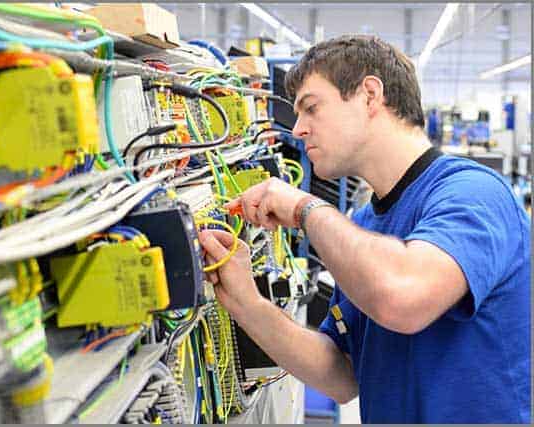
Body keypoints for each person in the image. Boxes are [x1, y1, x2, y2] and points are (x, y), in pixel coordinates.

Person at [198, 35, 531, 423]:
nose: (299, 129)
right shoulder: (364, 226)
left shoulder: (472, 193)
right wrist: (247, 303)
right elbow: (343, 375)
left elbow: (404, 298)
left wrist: (305, 207)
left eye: (311, 108)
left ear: (370, 95)